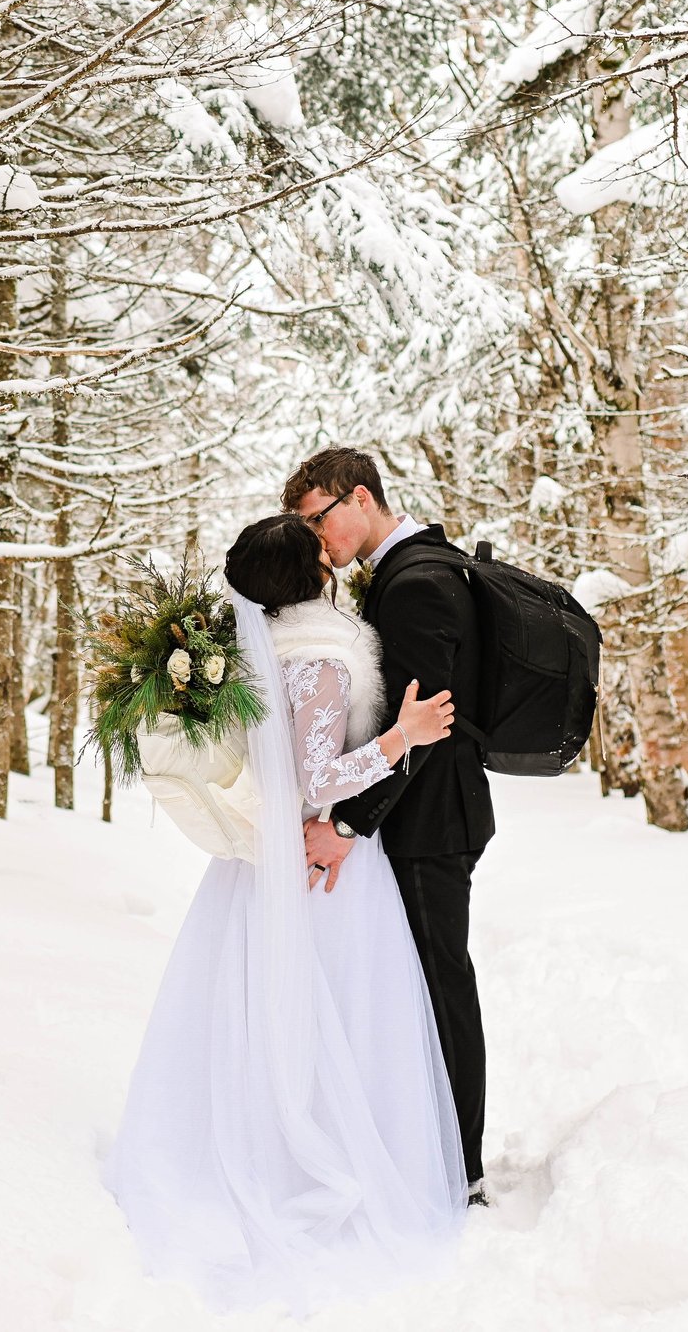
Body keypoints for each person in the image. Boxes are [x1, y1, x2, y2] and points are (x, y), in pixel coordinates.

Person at [104, 515, 466, 1312]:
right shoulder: (322, 659)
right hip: (322, 865)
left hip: (263, 870)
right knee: (332, 1013)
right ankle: (306, 1162)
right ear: (312, 574)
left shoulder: (263, 644)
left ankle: (251, 1141)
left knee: (261, 1010)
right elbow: (319, 781)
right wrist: (400, 736)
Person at [284, 447, 495, 1202]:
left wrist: (347, 821)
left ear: (361, 499)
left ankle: (460, 1165)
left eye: (317, 518)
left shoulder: (416, 584)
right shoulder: (413, 571)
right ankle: (429, 1150)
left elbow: (424, 728)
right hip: (423, 815)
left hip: (430, 820)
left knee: (440, 986)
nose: (314, 537)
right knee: (414, 987)